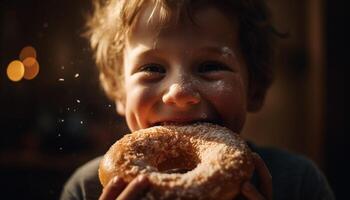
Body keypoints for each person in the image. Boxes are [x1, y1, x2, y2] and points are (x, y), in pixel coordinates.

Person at [60, 0, 335, 199]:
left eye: (209, 66)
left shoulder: (298, 183)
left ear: (255, 88)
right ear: (120, 92)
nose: (180, 92)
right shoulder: (87, 189)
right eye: (152, 69)